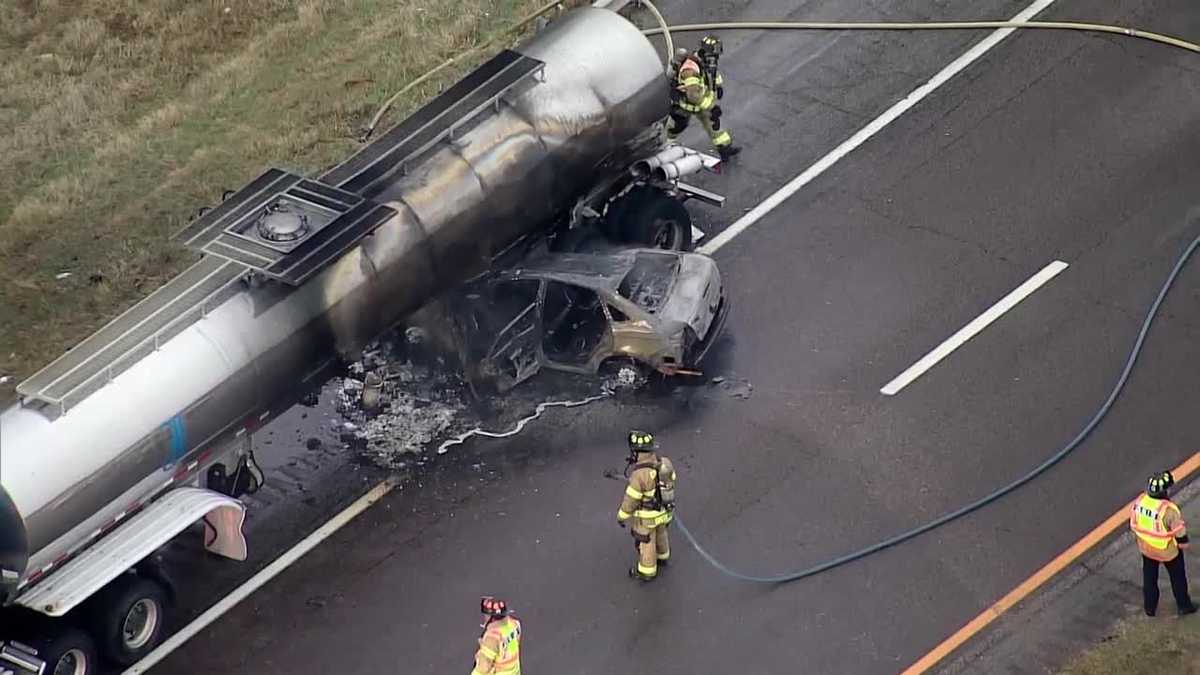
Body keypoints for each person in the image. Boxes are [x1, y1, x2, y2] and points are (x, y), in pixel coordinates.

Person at [1129, 471, 1198, 616]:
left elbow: (1135, 524)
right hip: (1168, 551)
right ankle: (1184, 606)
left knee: (1149, 579)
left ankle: (1150, 607)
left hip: (1146, 548)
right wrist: (1183, 543)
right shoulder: (1168, 511)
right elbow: (1179, 531)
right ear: (1165, 491)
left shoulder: (1140, 502)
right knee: (1178, 578)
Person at [667, 36, 741, 160]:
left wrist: (718, 85)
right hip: (685, 105)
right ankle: (663, 145)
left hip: (702, 104)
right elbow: (693, 96)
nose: (716, 57)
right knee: (676, 128)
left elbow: (712, 73)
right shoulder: (690, 69)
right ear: (706, 52)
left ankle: (725, 149)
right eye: (714, 53)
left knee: (714, 124)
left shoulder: (706, 61)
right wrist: (712, 107)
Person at [617, 430, 677, 581]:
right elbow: (672, 480)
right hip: (665, 512)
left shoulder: (639, 475)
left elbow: (631, 500)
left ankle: (647, 571)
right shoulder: (665, 463)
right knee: (662, 534)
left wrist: (621, 516)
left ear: (636, 452)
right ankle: (663, 556)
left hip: (647, 518)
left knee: (647, 542)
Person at [471, 597, 522, 675]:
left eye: (486, 614)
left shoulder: (492, 637)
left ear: (492, 617)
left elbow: (483, 668)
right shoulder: (514, 624)